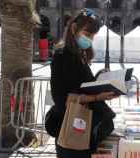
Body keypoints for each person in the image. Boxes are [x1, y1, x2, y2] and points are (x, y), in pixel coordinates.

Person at [50, 9, 118, 158]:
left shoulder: (78, 54)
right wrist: (97, 97)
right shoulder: (62, 56)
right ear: (74, 29)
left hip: (83, 127)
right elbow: (61, 98)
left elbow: (82, 85)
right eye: (87, 34)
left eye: (92, 36)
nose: (90, 40)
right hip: (72, 128)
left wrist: (102, 82)